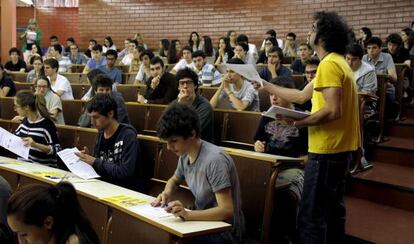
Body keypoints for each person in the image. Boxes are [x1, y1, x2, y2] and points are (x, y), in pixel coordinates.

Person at [252, 11, 359, 244]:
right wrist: (267, 85)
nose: (309, 31)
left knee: (312, 216)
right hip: (340, 150)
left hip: (327, 151)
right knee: (332, 212)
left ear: (324, 34)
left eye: (313, 27)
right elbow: (300, 96)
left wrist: (300, 122)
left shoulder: (330, 64)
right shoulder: (335, 62)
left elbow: (333, 110)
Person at [152, 103, 244, 243]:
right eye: (167, 142)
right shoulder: (185, 154)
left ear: (192, 134)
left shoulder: (215, 160)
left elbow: (226, 211)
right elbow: (174, 180)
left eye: (174, 141)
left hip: (225, 231)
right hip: (202, 223)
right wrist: (166, 193)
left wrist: (188, 214)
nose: (169, 147)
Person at [253, 77, 306, 244]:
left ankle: (287, 235)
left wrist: (299, 162)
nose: (273, 98)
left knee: (286, 192)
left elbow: (308, 155)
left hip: (292, 167)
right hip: (268, 164)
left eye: (277, 94)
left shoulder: (303, 118)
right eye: (270, 94)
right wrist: (257, 145)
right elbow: (257, 141)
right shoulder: (268, 116)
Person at [76, 94, 145, 192]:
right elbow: (100, 165)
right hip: (104, 186)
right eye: (91, 117)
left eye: (96, 117)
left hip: (125, 190)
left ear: (110, 114)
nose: (92, 122)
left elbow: (125, 172)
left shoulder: (127, 136)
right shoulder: (101, 134)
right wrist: (88, 159)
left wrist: (95, 161)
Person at [7, 182, 100, 244]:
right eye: (16, 234)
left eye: (24, 235)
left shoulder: (74, 242)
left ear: (48, 223)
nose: (21, 242)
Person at [12, 90, 61, 166]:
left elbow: (57, 150)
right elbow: (14, 138)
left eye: (16, 106)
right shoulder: (25, 121)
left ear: (26, 107)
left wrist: (36, 145)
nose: (15, 109)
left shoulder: (46, 124)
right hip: (22, 166)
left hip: (41, 169)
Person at [173, 67, 214, 142]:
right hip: (181, 144)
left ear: (195, 85)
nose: (185, 86)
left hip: (201, 146)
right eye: (182, 83)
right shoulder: (176, 103)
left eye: (188, 82)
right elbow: (167, 126)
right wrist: (180, 105)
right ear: (178, 87)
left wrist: (181, 107)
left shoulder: (205, 106)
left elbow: (190, 133)